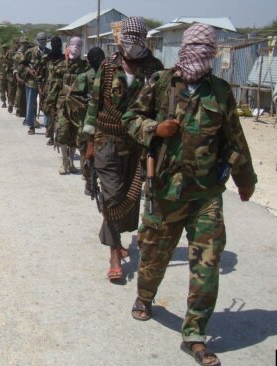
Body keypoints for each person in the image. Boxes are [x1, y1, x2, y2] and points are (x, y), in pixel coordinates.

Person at [122, 23, 257, 366]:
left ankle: (195, 332)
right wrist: (157, 128)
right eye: (193, 46)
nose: (198, 54)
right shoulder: (161, 83)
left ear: (212, 53)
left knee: (208, 265)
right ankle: (145, 296)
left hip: (206, 194)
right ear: (184, 49)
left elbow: (235, 140)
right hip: (165, 191)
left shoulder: (221, 91)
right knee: (153, 255)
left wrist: (246, 179)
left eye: (205, 48)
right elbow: (130, 118)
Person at [83, 17, 163, 282]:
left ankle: (115, 239)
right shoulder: (108, 66)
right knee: (113, 195)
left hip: (138, 144)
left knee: (130, 197)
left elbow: (159, 109)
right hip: (107, 140)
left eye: (136, 37)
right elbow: (94, 105)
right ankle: (114, 256)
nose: (131, 43)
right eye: (127, 37)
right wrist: (90, 143)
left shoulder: (155, 68)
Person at [49, 36, 90, 174]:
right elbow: (54, 87)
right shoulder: (61, 66)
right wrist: (49, 104)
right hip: (63, 106)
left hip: (78, 107)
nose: (76, 47)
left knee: (75, 135)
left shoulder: (85, 67)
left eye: (79, 45)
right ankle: (64, 161)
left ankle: (72, 161)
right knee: (62, 132)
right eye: (73, 44)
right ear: (68, 46)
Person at [22, 32, 50, 135]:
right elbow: (23, 64)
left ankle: (48, 127)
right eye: (40, 40)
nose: (42, 42)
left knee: (46, 105)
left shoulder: (49, 53)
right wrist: (29, 70)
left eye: (44, 39)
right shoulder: (30, 52)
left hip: (45, 83)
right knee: (31, 105)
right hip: (31, 82)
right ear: (37, 41)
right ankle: (31, 126)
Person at [41, 36, 65, 146]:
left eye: (57, 44)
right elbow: (42, 74)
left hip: (61, 91)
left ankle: (59, 137)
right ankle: (51, 135)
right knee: (49, 113)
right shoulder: (47, 58)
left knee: (60, 114)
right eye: (54, 44)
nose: (55, 46)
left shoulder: (65, 58)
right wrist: (41, 87)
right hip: (49, 90)